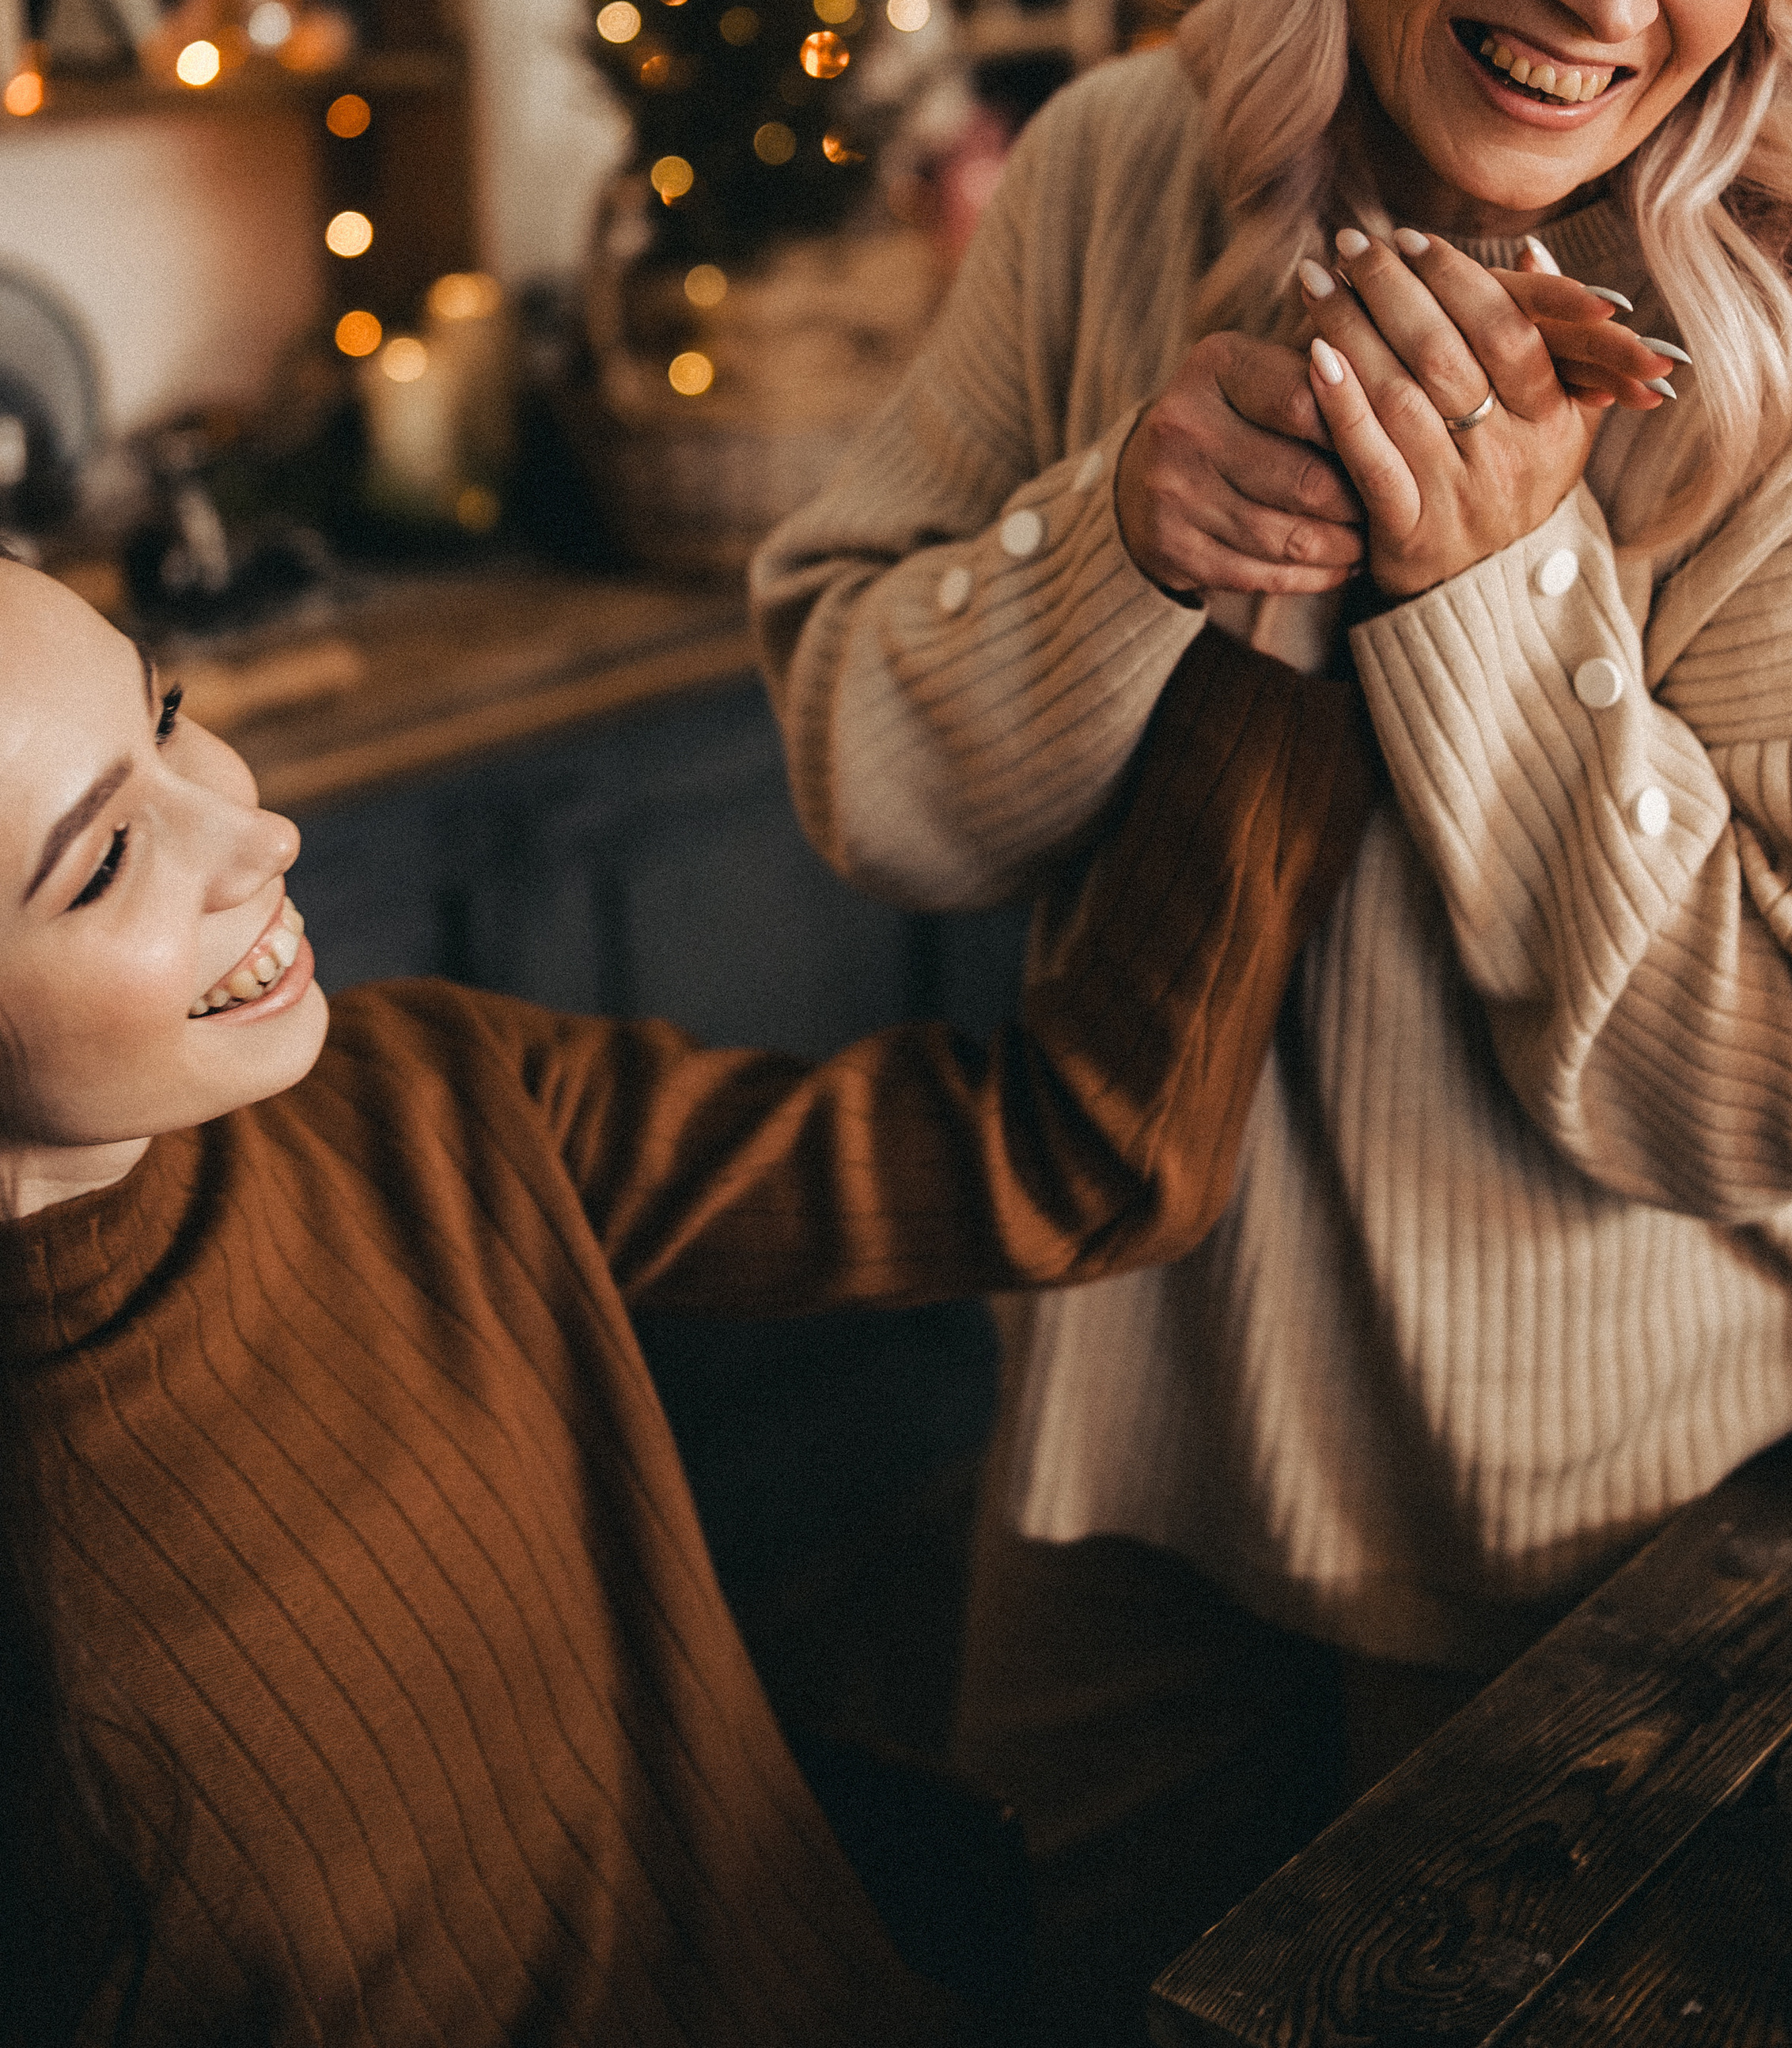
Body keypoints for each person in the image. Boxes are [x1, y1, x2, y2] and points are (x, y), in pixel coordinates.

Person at [752, 0, 1792, 2038]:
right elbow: (867, 778)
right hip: (1118, 1477)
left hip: (1619, 1541)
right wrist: (1123, 537)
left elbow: (1777, 1094)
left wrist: (1495, 594)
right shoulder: (1117, 173)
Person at [0, 553, 1371, 2048]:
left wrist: (1277, 624)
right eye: (104, 860)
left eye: (169, 714)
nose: (258, 829)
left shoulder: (427, 1105)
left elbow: (1070, 1163)